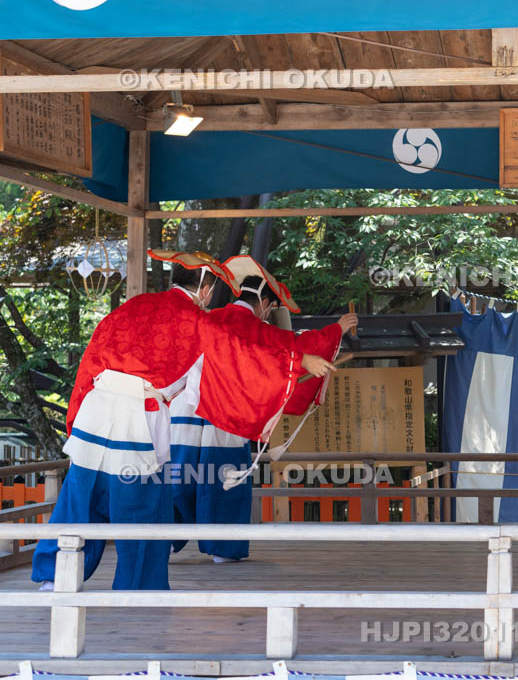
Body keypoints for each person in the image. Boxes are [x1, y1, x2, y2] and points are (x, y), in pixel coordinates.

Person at [32, 251, 339, 590]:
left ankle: (52, 577)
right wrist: (300, 360)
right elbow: (243, 351)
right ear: (206, 289)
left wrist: (75, 413)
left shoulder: (132, 306)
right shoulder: (197, 321)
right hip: (137, 421)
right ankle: (138, 589)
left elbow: (90, 359)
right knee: (143, 508)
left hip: (95, 413)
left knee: (79, 498)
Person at [169, 256, 356, 562]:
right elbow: (296, 347)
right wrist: (337, 329)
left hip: (185, 409)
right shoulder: (256, 329)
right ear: (265, 302)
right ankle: (223, 550)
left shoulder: (208, 318)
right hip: (227, 412)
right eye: (271, 307)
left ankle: (162, 542)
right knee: (224, 477)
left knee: (179, 475)